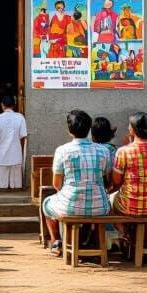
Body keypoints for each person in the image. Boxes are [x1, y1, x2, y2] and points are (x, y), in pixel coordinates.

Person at [42, 110, 112, 257]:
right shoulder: (103, 151)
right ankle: (93, 241)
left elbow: (56, 184)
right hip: (100, 207)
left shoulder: (62, 151)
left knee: (46, 204)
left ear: (69, 130)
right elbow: (109, 178)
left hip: (70, 207)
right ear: (89, 129)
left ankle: (56, 241)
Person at [111, 111, 147, 217]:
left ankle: (122, 227)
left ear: (132, 130)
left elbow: (116, 182)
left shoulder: (123, 152)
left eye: (129, 126)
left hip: (130, 208)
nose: (128, 128)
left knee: (110, 199)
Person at [0, 96, 28, 190]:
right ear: (14, 105)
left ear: (2, 105)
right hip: (16, 155)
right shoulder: (20, 118)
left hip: (1, 156)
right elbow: (23, 137)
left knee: (1, 187)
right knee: (16, 186)